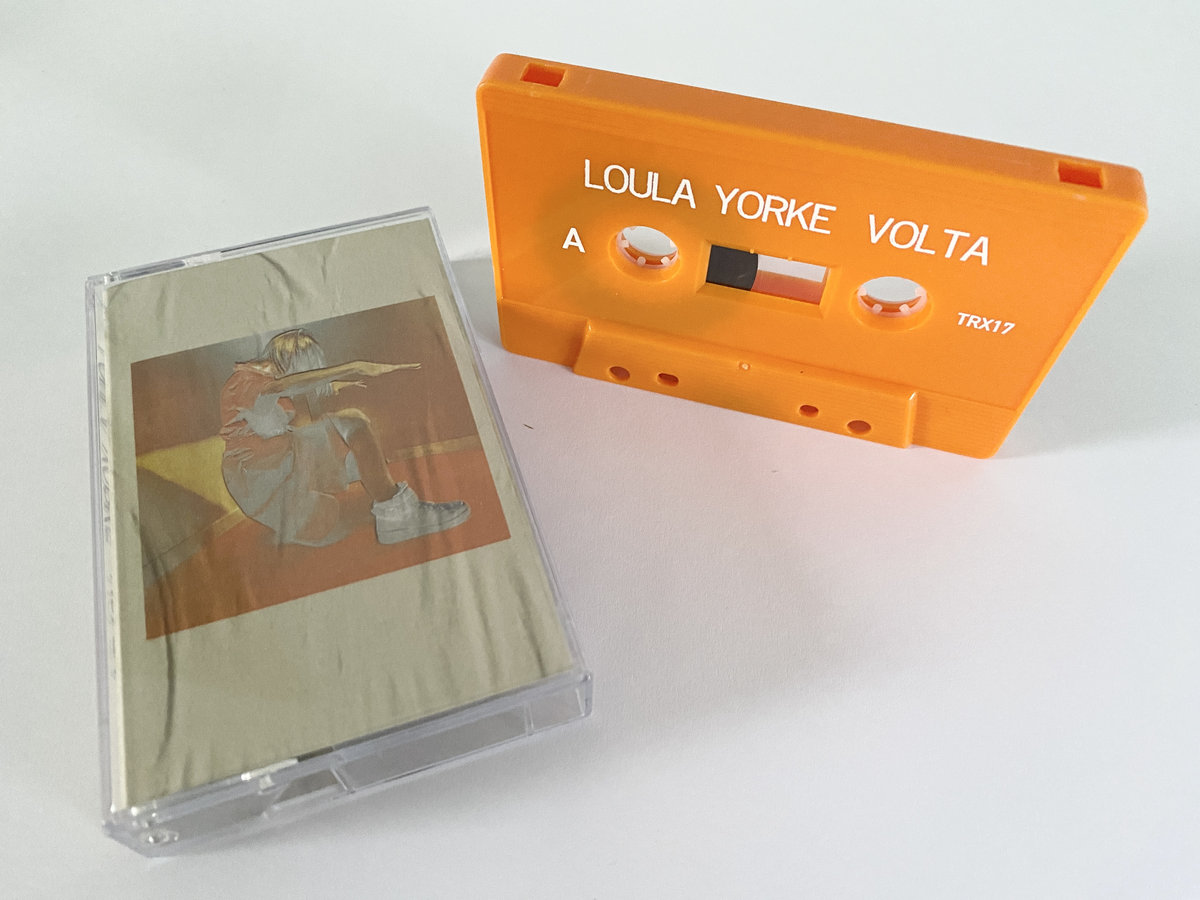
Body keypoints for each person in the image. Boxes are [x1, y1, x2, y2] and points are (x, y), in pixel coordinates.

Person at [219, 328, 470, 547]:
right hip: (265, 481)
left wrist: (338, 384)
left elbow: (284, 398)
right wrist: (354, 366)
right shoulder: (246, 381)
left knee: (354, 452)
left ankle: (391, 503)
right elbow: (285, 387)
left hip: (277, 466)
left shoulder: (260, 379)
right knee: (352, 422)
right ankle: (397, 516)